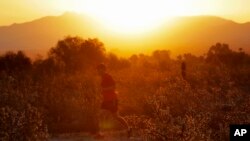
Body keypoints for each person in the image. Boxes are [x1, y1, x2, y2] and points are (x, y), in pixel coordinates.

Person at [94, 63, 131, 139]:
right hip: (106, 100)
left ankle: (128, 129)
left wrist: (104, 90)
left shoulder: (108, 77)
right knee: (100, 115)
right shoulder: (103, 77)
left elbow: (113, 87)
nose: (97, 71)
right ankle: (100, 134)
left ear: (103, 69)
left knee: (116, 116)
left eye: (99, 69)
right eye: (97, 69)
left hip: (112, 100)